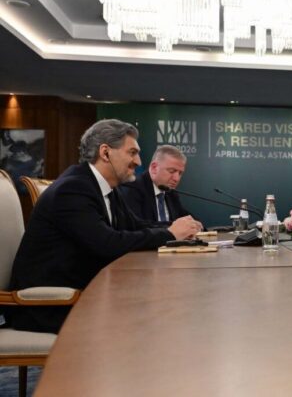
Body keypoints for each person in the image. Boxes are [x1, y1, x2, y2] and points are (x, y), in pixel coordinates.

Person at [9, 119, 201, 333]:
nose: (138, 161)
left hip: (86, 292)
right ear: (105, 152)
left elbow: (136, 225)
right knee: (158, 314)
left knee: (166, 305)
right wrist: (170, 234)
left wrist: (178, 228)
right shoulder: (73, 188)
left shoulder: (107, 188)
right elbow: (107, 243)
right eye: (132, 153)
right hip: (49, 305)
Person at [120, 145, 200, 227]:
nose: (176, 178)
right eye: (172, 171)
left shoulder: (170, 192)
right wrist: (173, 227)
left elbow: (182, 214)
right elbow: (137, 226)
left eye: (180, 173)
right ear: (154, 168)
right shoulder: (133, 188)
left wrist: (196, 224)